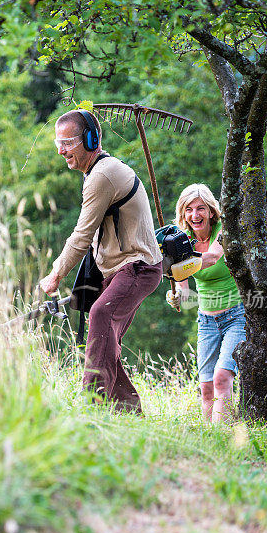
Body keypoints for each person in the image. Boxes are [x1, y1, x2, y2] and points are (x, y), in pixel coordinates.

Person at [39, 109, 162, 414]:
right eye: (58, 143)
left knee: (100, 317)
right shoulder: (97, 173)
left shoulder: (103, 175)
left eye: (67, 143)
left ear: (91, 140)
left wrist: (55, 274)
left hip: (137, 267)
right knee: (106, 342)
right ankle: (129, 412)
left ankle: (90, 404)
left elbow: (82, 235)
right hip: (121, 269)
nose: (60, 150)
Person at [166, 184, 246, 423]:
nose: (195, 215)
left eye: (201, 208)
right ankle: (213, 440)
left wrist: (176, 267)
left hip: (236, 316)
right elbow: (183, 286)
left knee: (223, 377)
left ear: (212, 211)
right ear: (183, 213)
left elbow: (210, 258)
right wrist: (177, 294)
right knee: (207, 387)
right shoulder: (182, 241)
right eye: (189, 209)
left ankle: (224, 435)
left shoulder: (225, 231)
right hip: (206, 321)